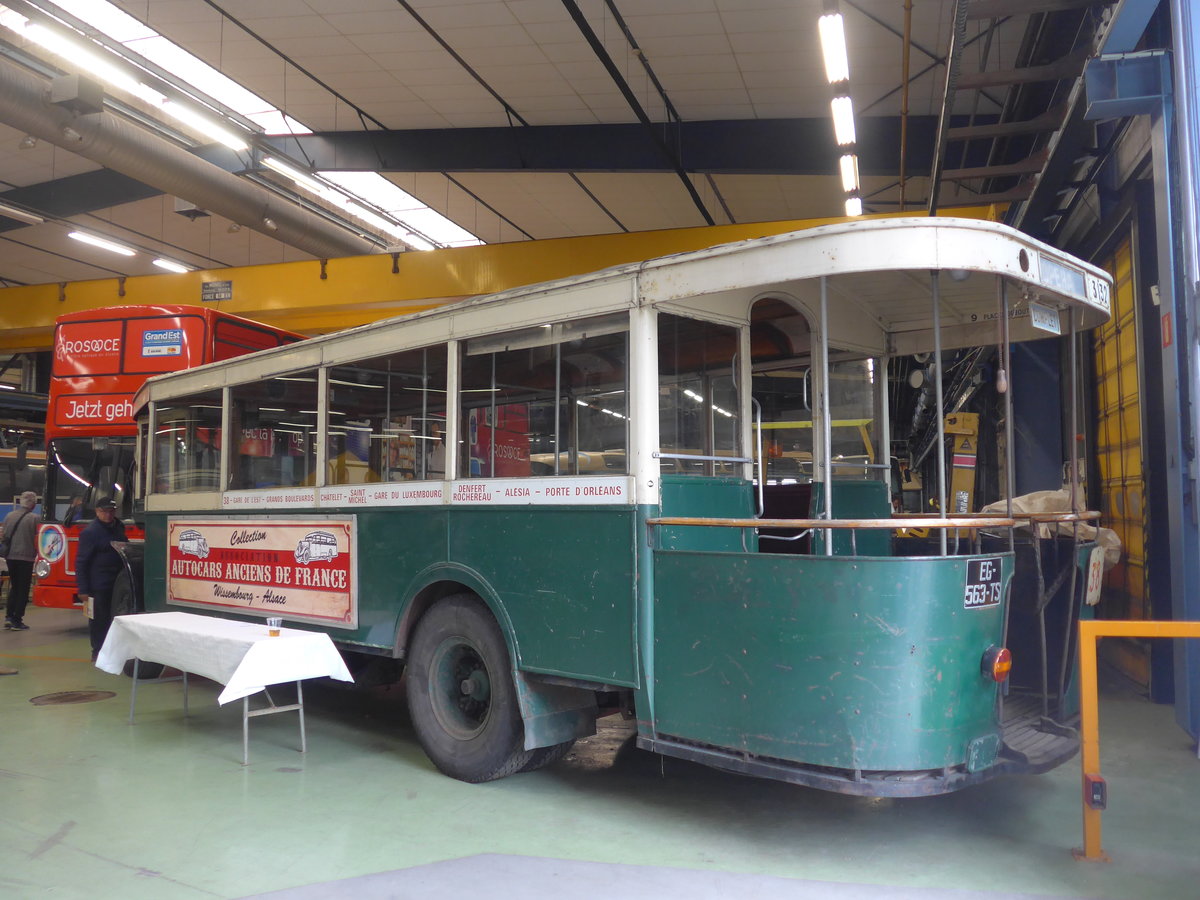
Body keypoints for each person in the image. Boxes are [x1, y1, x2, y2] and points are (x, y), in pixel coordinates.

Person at [75, 497, 127, 660]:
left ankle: (113, 649)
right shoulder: (90, 533)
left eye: (111, 511)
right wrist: (83, 589)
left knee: (115, 619)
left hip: (117, 583)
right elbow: (81, 562)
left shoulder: (119, 527)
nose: (108, 515)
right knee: (98, 620)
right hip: (98, 585)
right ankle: (97, 651)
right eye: (104, 511)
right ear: (97, 512)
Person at [2, 491, 41, 631]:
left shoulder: (9, 516)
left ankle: (8, 617)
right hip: (26, 558)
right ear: (33, 504)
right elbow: (39, 538)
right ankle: (17, 620)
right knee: (23, 589)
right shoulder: (35, 518)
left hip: (10, 557)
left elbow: (4, 535)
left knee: (14, 586)